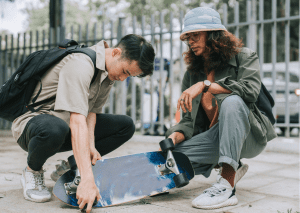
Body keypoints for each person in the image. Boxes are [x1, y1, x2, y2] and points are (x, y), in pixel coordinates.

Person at [11, 34, 155, 213]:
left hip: (66, 126)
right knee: (55, 128)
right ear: (116, 53)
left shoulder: (107, 73)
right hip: (33, 126)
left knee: (125, 125)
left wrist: (91, 147)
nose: (123, 78)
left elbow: (91, 112)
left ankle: (68, 169)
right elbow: (77, 120)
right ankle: (32, 171)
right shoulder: (81, 64)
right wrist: (87, 179)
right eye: (125, 71)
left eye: (129, 76)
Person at [165, 7, 277, 210]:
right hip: (217, 137)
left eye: (196, 35)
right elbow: (189, 122)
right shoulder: (192, 74)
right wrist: (173, 138)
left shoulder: (245, 57)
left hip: (249, 135)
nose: (190, 41)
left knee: (232, 101)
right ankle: (233, 164)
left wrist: (206, 86)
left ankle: (226, 184)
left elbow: (250, 91)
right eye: (188, 37)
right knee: (172, 159)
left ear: (213, 35)